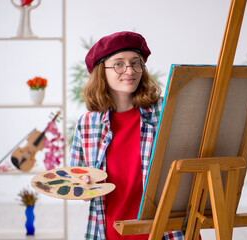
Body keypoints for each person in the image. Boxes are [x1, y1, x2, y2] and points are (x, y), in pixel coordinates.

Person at [70, 31, 185, 240]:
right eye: (119, 64)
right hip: (110, 232)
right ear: (101, 72)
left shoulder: (166, 111)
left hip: (163, 232)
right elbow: (77, 182)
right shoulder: (87, 124)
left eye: (136, 62)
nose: (130, 70)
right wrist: (83, 184)